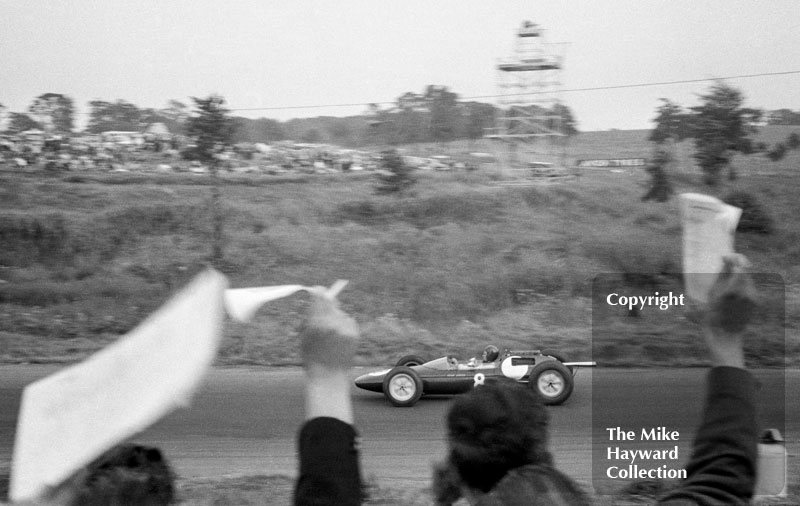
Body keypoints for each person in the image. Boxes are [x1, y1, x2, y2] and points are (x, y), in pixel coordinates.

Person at [295, 254, 760, 505]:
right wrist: (726, 339)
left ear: (459, 473)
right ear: (544, 450)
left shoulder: (502, 367)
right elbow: (722, 480)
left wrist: (325, 377)